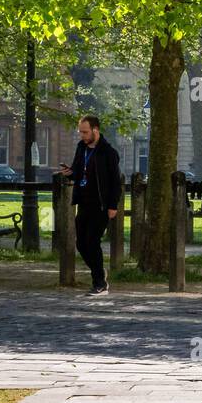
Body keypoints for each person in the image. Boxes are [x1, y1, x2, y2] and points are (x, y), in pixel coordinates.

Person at [57, 115, 123, 296]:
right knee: (81, 245)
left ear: (96, 130)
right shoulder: (81, 148)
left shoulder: (108, 153)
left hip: (100, 205)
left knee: (92, 242)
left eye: (85, 132)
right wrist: (69, 173)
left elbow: (115, 182)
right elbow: (79, 172)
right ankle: (100, 274)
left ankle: (99, 283)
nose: (82, 135)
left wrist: (112, 205)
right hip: (84, 202)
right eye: (80, 132)